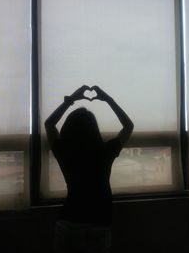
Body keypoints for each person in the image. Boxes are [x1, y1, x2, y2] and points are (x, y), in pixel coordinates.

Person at [45, 85, 134, 253]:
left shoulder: (64, 151)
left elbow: (49, 124)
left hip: (67, 223)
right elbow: (128, 126)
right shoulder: (105, 151)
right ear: (94, 129)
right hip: (98, 225)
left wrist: (71, 99)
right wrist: (108, 99)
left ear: (68, 129)